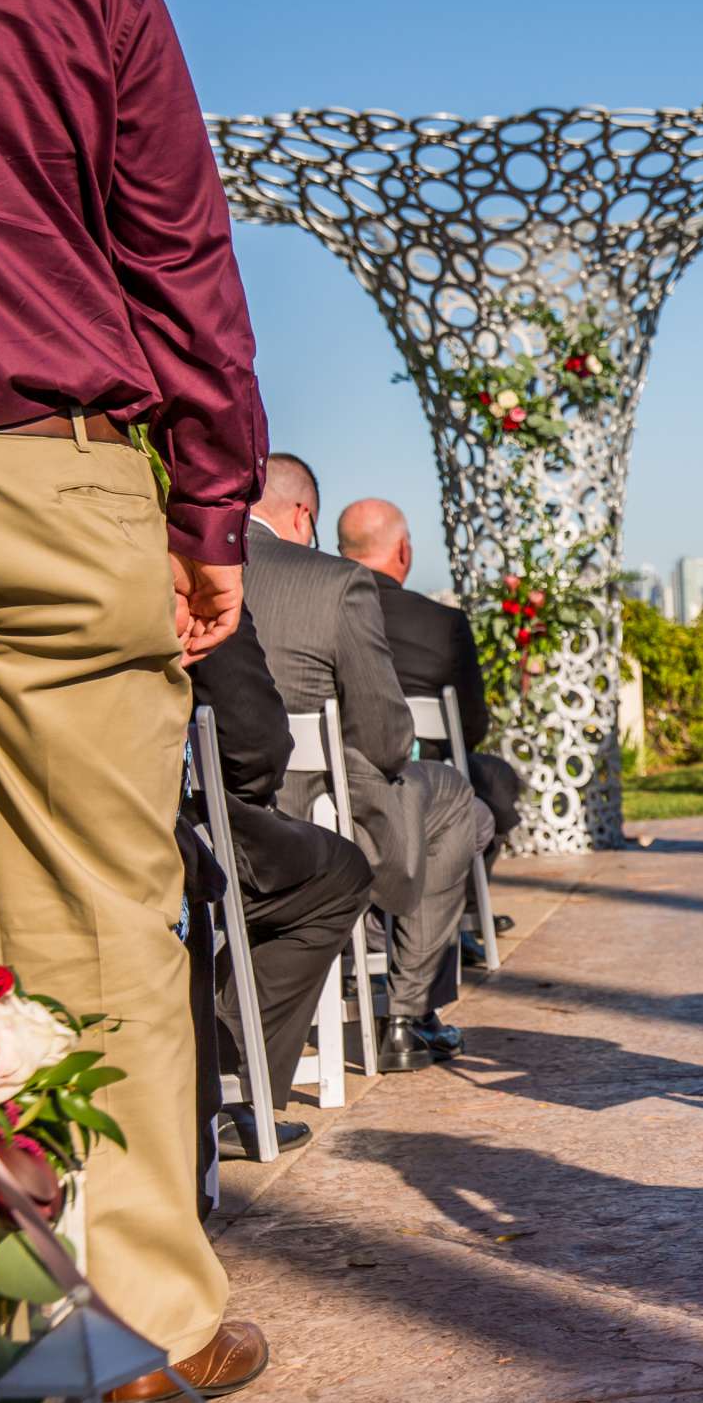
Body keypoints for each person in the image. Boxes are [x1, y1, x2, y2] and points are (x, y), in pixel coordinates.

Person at [0, 0, 269, 1402]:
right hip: (48, 475)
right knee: (95, 911)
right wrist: (208, 502)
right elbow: (174, 249)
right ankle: (134, 1323)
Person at [241, 455, 494, 1074]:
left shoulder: (188, 568)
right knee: (453, 798)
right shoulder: (330, 582)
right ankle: (406, 1016)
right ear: (303, 515)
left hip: (215, 816)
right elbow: (384, 737)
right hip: (320, 820)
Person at [187, 610, 372, 1159]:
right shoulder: (201, 582)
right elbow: (255, 745)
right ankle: (231, 1080)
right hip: (177, 835)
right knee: (341, 875)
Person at [335, 498, 527, 861]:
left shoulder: (323, 615)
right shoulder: (444, 623)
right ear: (403, 550)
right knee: (495, 780)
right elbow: (471, 726)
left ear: (340, 553)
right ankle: (468, 906)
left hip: (339, 779)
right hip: (428, 779)